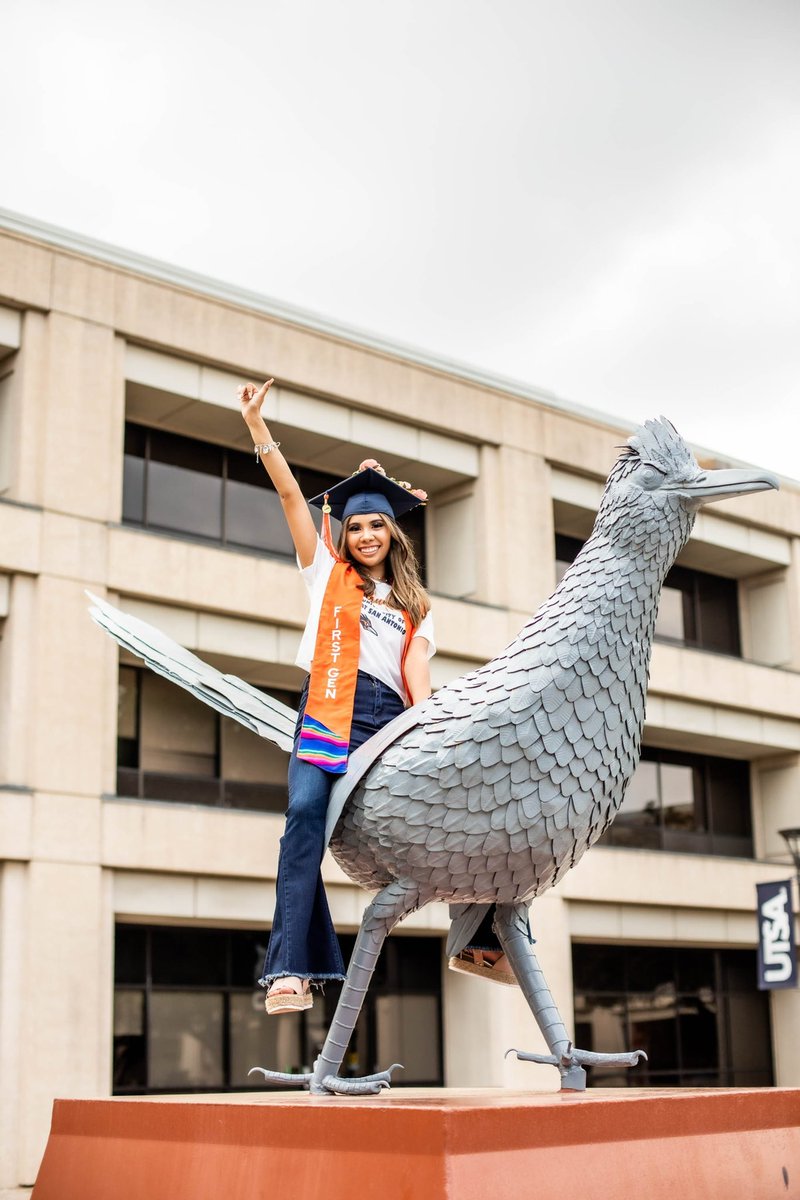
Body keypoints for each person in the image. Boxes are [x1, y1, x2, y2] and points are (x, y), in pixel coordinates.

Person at [239, 379, 436, 1014]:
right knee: (303, 821)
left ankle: (480, 941)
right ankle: (289, 974)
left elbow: (420, 681)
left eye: (379, 524)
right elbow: (294, 498)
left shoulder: (415, 605)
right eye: (357, 526)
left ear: (393, 533)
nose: (368, 534)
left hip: (387, 722)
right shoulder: (326, 577)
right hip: (327, 711)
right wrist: (258, 429)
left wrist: (429, 735)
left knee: (455, 818)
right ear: (345, 536)